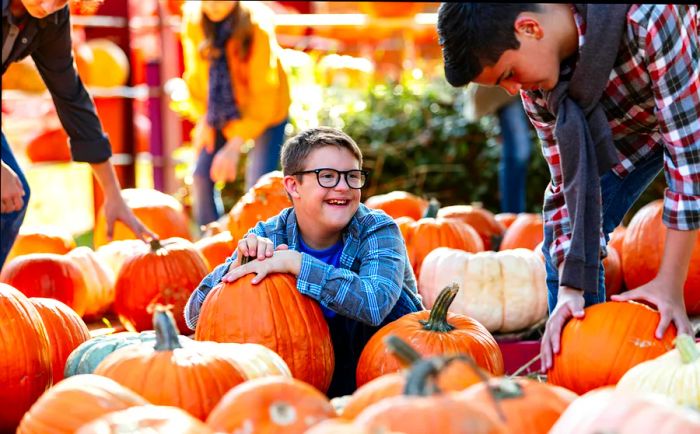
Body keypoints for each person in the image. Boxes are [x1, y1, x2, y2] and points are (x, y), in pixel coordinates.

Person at [436, 3, 699, 371]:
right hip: (631, 135)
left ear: (529, 28)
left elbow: (689, 157)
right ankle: (587, 370)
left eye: (509, 74)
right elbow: (566, 189)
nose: (513, 91)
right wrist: (569, 289)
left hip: (689, 109)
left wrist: (670, 286)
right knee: (560, 254)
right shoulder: (540, 89)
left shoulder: (649, 16)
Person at [184, 126, 423, 397]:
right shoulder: (269, 235)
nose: (343, 187)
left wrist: (297, 263)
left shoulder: (377, 230)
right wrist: (235, 269)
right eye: (328, 177)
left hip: (384, 373)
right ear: (293, 186)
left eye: (353, 176)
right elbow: (193, 317)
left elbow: (374, 303)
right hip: (308, 371)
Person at [1, 0, 156, 268]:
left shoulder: (51, 17)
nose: (49, 5)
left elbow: (71, 97)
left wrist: (113, 193)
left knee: (13, 200)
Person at [178, 1, 290, 229]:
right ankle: (212, 242)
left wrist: (234, 144)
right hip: (221, 110)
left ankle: (262, 246)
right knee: (201, 175)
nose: (214, 4)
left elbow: (264, 94)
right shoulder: (193, 23)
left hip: (266, 111)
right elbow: (197, 79)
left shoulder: (256, 26)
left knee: (260, 187)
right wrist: (205, 119)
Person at [464, 84, 533, 213]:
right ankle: (512, 216)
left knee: (519, 152)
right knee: (517, 154)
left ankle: (514, 217)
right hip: (507, 89)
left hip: (524, 84)